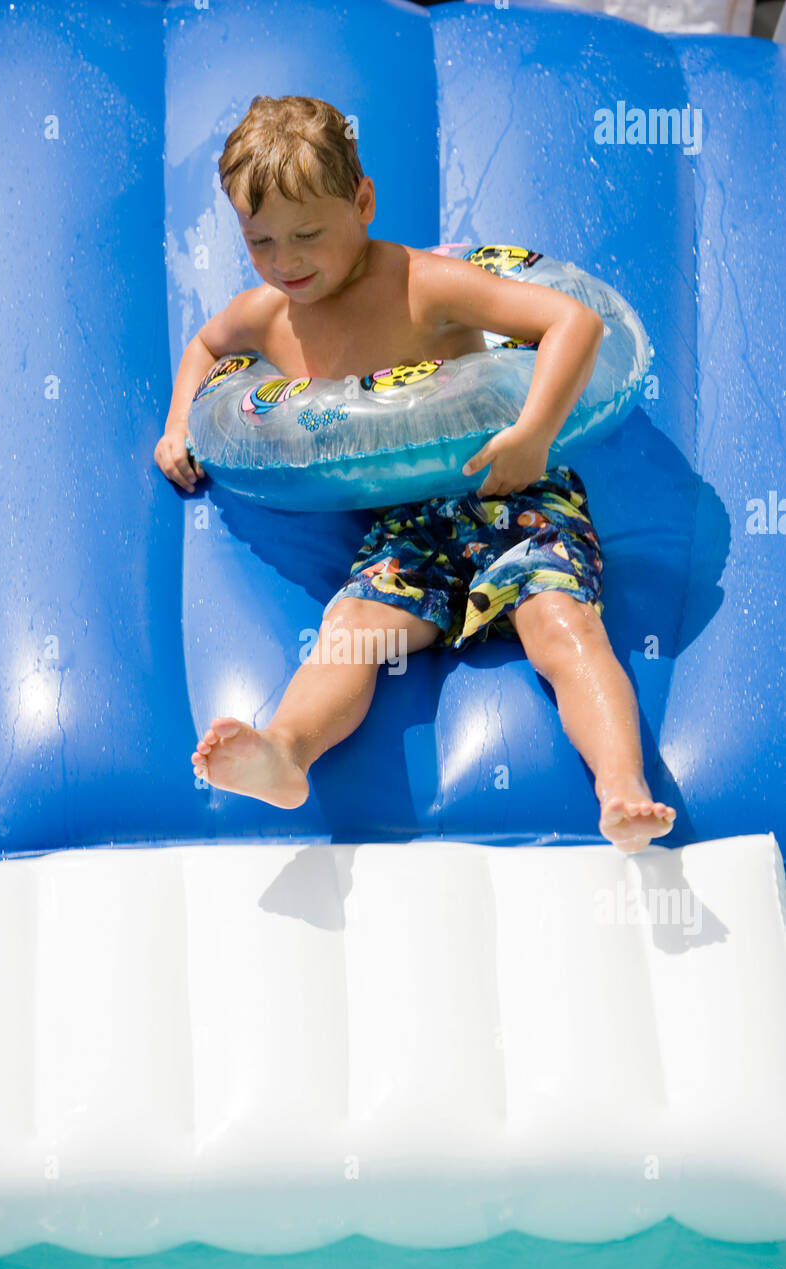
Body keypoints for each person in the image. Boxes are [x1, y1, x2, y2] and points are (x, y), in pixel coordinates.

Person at [154, 95, 675, 853]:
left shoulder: (420, 285)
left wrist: (533, 434)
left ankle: (622, 786)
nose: (286, 261)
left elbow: (575, 322)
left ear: (362, 203)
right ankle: (286, 752)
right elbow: (206, 348)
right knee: (352, 630)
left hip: (512, 489)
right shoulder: (268, 314)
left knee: (561, 627)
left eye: (307, 234)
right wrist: (178, 425)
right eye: (260, 240)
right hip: (409, 518)